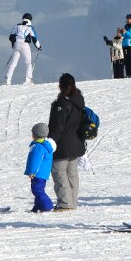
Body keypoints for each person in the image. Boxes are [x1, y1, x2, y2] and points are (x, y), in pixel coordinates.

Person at [48, 73, 87, 211]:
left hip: (63, 145)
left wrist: (50, 142)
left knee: (59, 173)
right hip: (76, 144)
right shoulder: (79, 102)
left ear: (60, 86)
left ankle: (65, 203)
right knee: (72, 174)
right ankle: (72, 202)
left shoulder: (62, 104)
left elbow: (57, 126)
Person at [24, 123, 57, 213]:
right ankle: (38, 206)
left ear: (35, 135)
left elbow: (36, 161)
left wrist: (32, 172)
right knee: (38, 189)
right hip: (42, 173)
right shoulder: (43, 145)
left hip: (38, 173)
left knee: (37, 190)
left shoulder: (38, 147)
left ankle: (47, 206)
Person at [5, 13, 41, 85]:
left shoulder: (17, 26)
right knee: (28, 62)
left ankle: (8, 79)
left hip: (16, 45)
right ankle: (28, 80)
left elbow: (11, 37)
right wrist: (38, 47)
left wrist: (13, 45)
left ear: (23, 18)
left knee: (13, 63)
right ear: (30, 19)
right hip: (24, 45)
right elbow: (34, 38)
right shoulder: (30, 27)